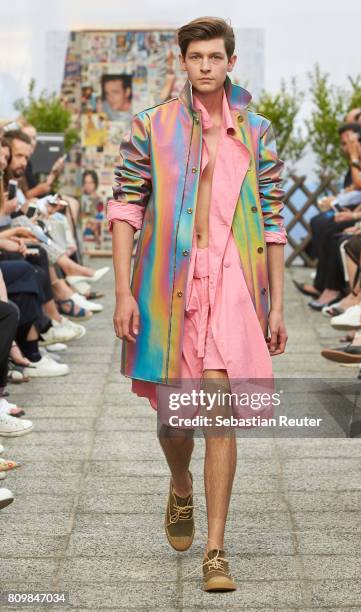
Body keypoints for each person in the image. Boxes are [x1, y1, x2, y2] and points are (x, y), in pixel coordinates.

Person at [107, 16, 287, 593]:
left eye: (215, 56)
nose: (206, 66)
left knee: (218, 410)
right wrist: (122, 292)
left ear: (231, 62)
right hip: (169, 283)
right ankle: (180, 483)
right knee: (173, 421)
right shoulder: (150, 127)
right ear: (182, 63)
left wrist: (277, 306)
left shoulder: (256, 132)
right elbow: (125, 210)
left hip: (233, 280)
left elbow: (275, 221)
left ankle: (216, 550)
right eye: (196, 57)